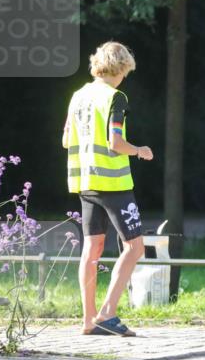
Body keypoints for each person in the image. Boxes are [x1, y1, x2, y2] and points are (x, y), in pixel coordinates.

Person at [62, 41, 153, 337]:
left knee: (91, 250)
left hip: (84, 181)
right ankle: (108, 313)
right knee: (134, 247)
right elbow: (116, 143)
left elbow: (66, 139)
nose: (126, 77)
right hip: (113, 183)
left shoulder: (78, 96)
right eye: (126, 71)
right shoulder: (116, 97)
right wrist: (140, 150)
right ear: (120, 68)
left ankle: (88, 320)